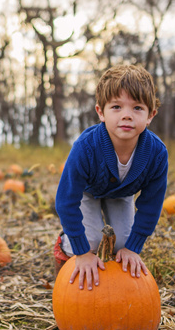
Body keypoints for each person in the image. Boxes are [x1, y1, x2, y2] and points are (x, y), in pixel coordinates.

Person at [53, 64, 168, 290]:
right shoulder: (85, 147)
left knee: (123, 244)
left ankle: (114, 288)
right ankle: (63, 243)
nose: (126, 115)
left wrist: (133, 248)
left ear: (150, 115)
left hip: (122, 194)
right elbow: (66, 201)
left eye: (137, 108)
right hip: (88, 191)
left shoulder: (156, 153)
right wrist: (82, 252)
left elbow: (151, 205)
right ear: (100, 112)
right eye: (116, 107)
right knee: (92, 241)